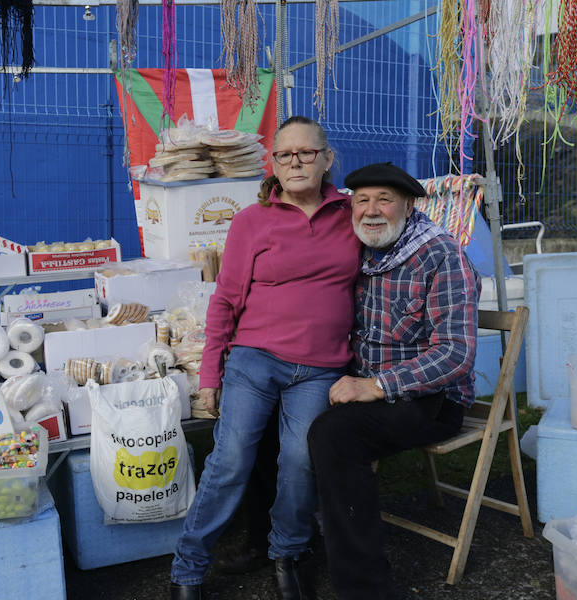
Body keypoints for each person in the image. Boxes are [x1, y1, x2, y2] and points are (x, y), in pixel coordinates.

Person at [170, 115, 362, 600]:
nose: (295, 161)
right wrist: (210, 376)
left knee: (299, 460)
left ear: (327, 159)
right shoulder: (251, 221)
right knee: (231, 459)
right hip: (255, 361)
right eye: (284, 154)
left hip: (320, 369)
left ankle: (287, 554)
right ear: (272, 163)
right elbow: (225, 301)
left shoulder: (351, 216)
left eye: (306, 152)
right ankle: (188, 569)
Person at [307, 162, 481, 600]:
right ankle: (282, 547)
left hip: (432, 398)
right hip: (369, 386)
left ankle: (366, 588)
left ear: (408, 206)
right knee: (279, 406)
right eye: (362, 200)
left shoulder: (440, 254)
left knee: (334, 435)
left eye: (384, 199)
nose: (371, 210)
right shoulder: (361, 252)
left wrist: (375, 386)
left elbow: (455, 354)